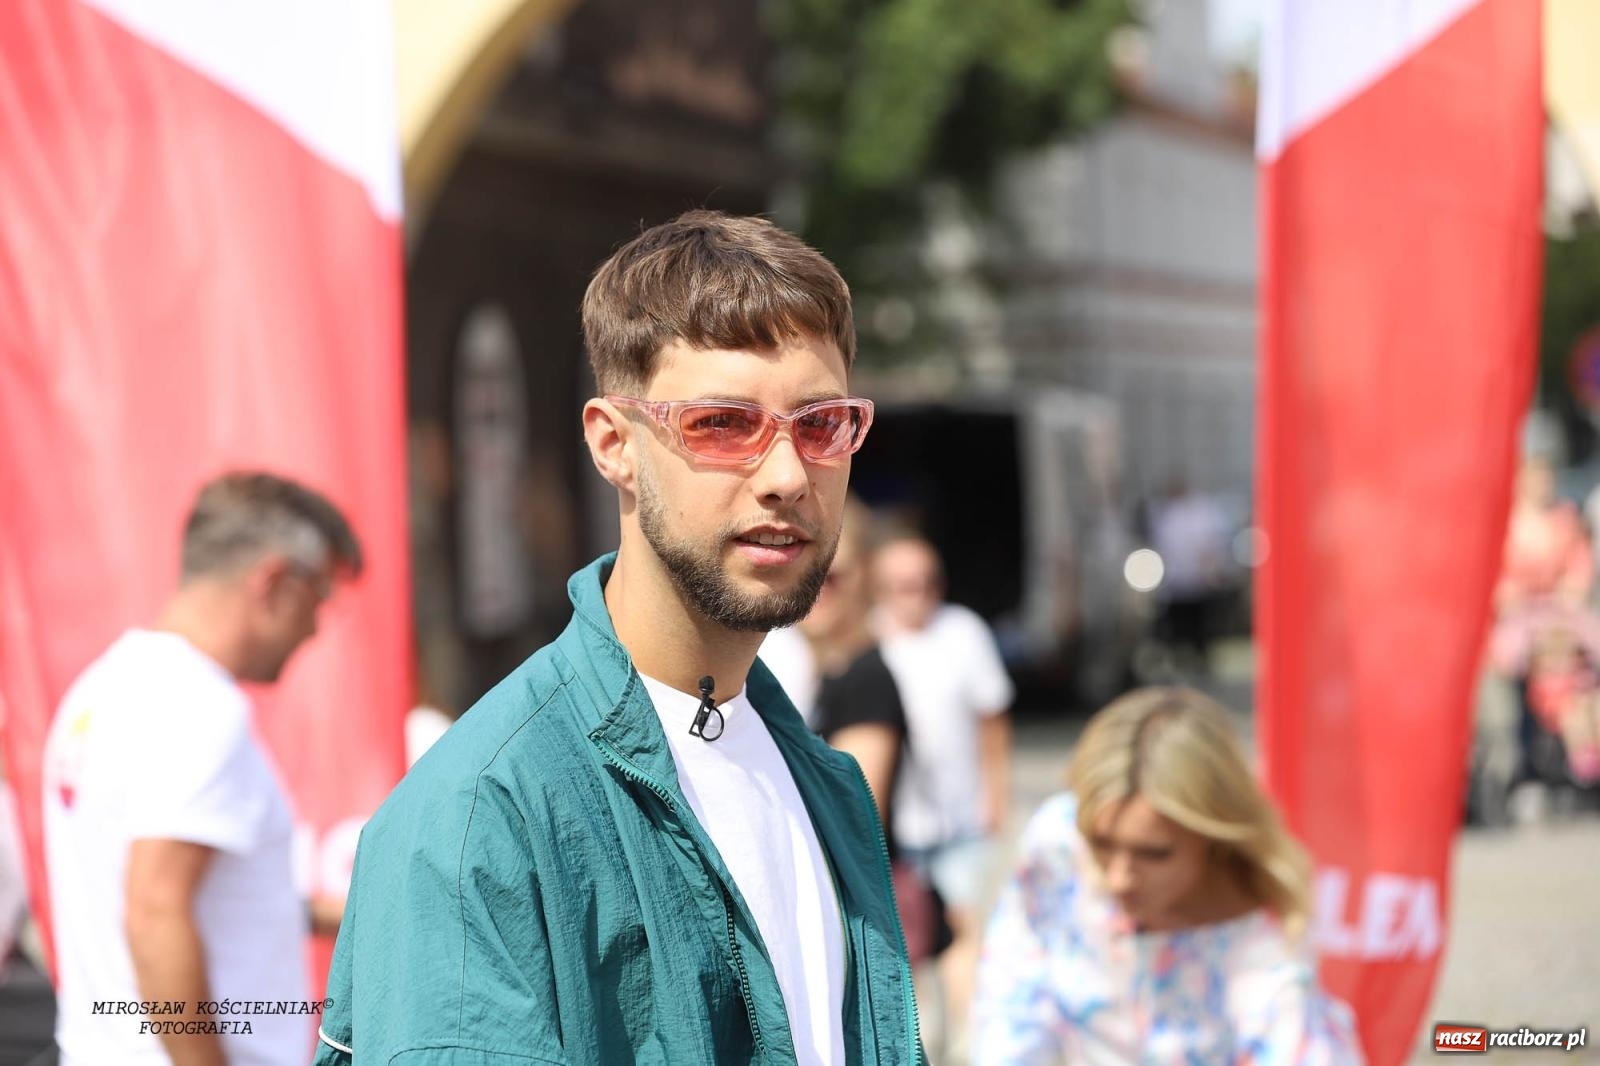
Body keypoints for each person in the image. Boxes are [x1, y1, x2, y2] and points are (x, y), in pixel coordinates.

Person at [316, 211, 922, 1065]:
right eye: (723, 423)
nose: (788, 476)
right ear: (614, 444)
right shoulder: (483, 813)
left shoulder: (822, 780)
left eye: (820, 424)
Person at [42, 471, 362, 1066]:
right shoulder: (196, 707)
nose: (315, 627)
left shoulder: (101, 690)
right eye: (318, 598)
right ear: (273, 582)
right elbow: (155, 910)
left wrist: (352, 912)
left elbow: (178, 895)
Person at [973, 687, 1364, 1064]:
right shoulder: (1058, 846)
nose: (1119, 877)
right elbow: (1012, 996)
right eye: (1102, 843)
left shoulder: (1265, 950)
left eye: (1153, 853)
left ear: (1211, 832)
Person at [870, 534, 1013, 1034]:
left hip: (960, 817)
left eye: (926, 582)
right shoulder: (868, 640)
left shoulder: (963, 632)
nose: (917, 593)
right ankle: (924, 1038)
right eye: (904, 585)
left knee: (963, 929)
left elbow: (993, 720)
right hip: (895, 825)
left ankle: (966, 1039)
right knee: (907, 943)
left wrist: (995, 795)